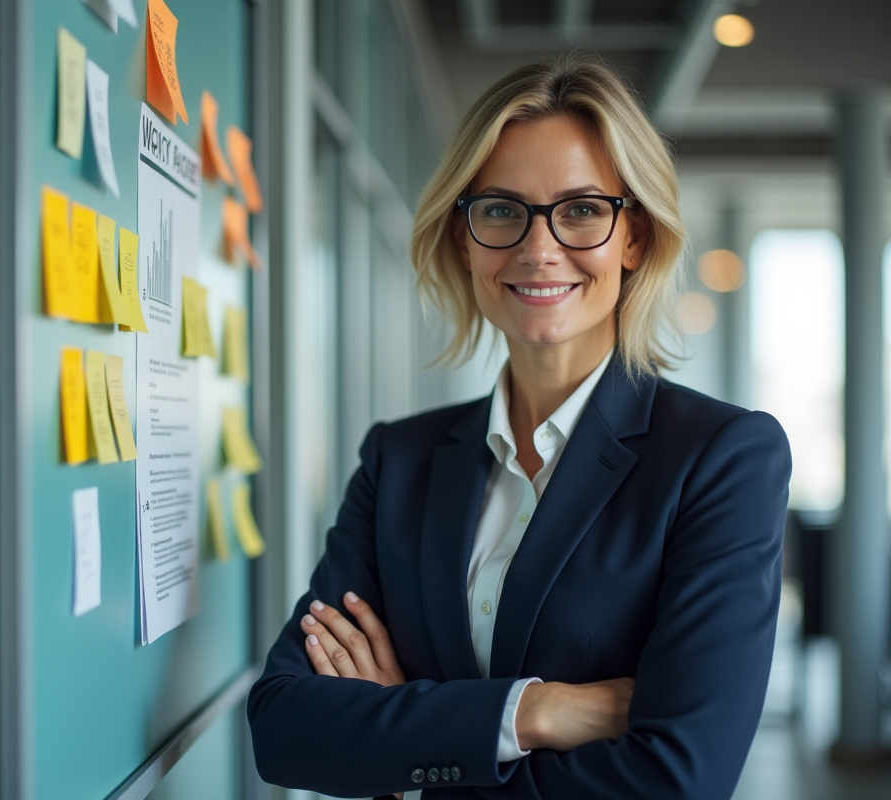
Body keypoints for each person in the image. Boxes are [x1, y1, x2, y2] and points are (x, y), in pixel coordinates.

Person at [247, 55, 791, 800]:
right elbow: (284, 729)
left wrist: (409, 751)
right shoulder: (397, 460)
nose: (539, 249)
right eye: (501, 209)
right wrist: (534, 711)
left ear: (632, 238)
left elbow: (678, 780)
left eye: (581, 210)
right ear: (465, 238)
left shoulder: (721, 459)